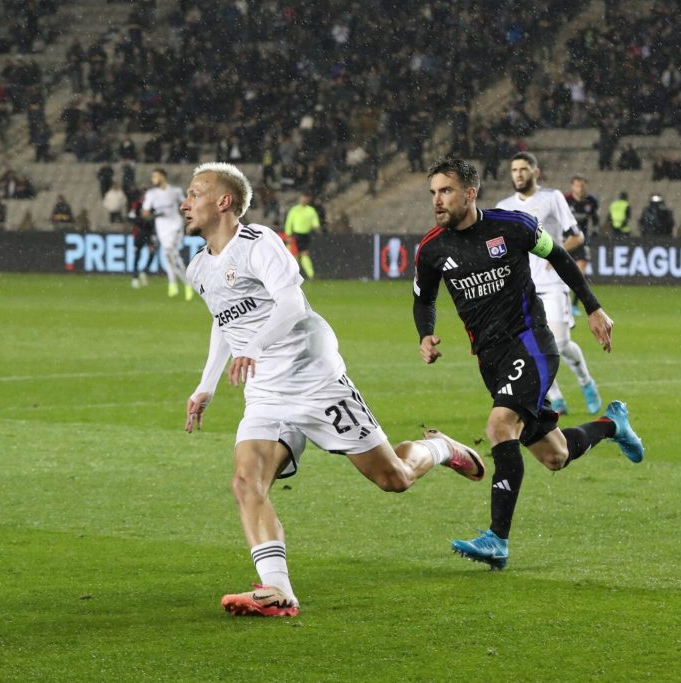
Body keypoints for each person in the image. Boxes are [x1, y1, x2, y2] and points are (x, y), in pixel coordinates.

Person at [183, 162, 484, 617]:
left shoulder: (259, 243)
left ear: (223, 202)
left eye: (195, 192)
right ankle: (278, 590)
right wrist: (205, 385)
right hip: (266, 391)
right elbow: (224, 323)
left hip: (312, 375)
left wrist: (257, 348)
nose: (185, 202)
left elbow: (288, 304)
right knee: (247, 482)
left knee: (393, 479)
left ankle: (438, 448)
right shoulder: (199, 267)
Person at [415, 157, 644, 570]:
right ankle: (613, 425)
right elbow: (424, 299)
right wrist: (425, 334)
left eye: (445, 191)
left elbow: (558, 254)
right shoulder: (433, 249)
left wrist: (592, 307)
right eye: (433, 192)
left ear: (470, 193)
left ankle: (496, 540)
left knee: (499, 426)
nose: (437, 200)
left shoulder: (512, 226)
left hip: (532, 342)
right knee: (554, 455)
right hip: (490, 359)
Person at [496, 153, 602, 417]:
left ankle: (585, 382)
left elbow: (576, 237)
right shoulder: (504, 206)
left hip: (553, 285)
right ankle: (555, 398)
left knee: (561, 344)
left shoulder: (552, 198)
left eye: (523, 169)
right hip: (522, 289)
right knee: (533, 349)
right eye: (514, 170)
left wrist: (554, 253)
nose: (518, 174)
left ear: (536, 172)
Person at [142, 168, 191, 300]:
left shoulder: (175, 191)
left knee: (169, 252)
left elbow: (185, 205)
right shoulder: (151, 194)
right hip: (161, 227)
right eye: (152, 177)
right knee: (171, 256)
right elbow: (145, 213)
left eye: (156, 176)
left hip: (175, 225)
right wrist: (154, 214)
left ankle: (173, 284)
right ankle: (186, 284)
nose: (154, 179)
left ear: (163, 177)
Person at [564, 175, 599, 316]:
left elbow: (595, 218)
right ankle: (563, 302)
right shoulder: (565, 200)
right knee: (563, 274)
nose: (580, 188)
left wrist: (595, 230)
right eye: (577, 185)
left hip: (582, 241)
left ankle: (574, 306)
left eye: (582, 185)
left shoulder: (591, 202)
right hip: (566, 241)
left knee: (580, 274)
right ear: (572, 186)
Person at [283, 190, 320, 280]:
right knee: (293, 255)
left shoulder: (311, 210)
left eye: (306, 198)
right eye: (303, 197)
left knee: (304, 254)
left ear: (308, 200)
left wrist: (315, 226)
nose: (304, 200)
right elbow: (289, 223)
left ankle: (311, 275)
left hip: (305, 236)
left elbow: (316, 224)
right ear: (300, 198)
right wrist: (288, 235)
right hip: (295, 235)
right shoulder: (294, 210)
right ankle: (292, 275)